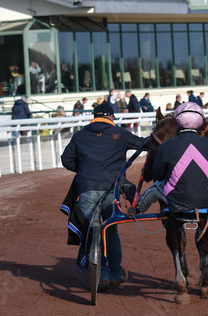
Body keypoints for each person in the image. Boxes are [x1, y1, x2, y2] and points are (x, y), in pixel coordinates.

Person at [61, 103, 147, 291]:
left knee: (92, 232)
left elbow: (66, 160)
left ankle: (100, 274)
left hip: (86, 190)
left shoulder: (80, 135)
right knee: (110, 231)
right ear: (111, 117)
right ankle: (114, 273)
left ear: (94, 116)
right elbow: (144, 144)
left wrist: (85, 170)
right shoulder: (118, 134)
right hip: (111, 192)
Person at [136, 102, 208, 217]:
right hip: (207, 198)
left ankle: (137, 208)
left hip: (175, 201)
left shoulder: (166, 145)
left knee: (156, 187)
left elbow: (159, 175)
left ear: (178, 122)